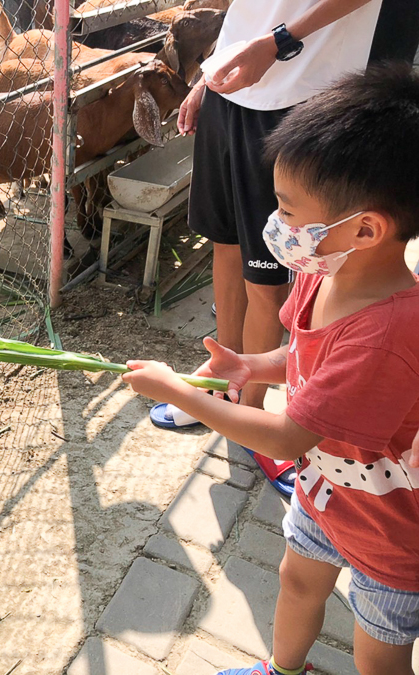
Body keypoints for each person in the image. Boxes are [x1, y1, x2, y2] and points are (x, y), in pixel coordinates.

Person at [123, 64, 419, 675]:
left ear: (365, 229)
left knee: (378, 654)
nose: (278, 224)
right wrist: (251, 363)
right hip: (326, 493)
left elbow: (287, 436)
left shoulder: (388, 333)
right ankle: (285, 671)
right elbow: (306, 356)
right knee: (296, 581)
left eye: (288, 210)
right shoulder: (323, 271)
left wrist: (181, 391)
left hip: (394, 534)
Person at [152, 0, 396, 498]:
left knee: (266, 274)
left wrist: (280, 41)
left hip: (302, 96)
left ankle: (252, 417)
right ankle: (220, 385)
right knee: (223, 243)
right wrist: (208, 78)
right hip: (233, 88)